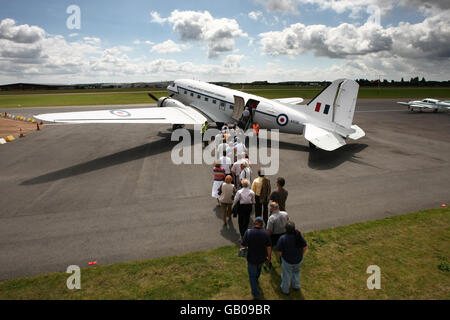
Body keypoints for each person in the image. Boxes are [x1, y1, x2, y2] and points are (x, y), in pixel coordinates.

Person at [241, 217, 272, 300]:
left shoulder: (248, 232)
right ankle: (256, 279)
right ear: (262, 224)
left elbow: (243, 246)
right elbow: (269, 247)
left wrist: (244, 254)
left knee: (251, 276)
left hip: (251, 258)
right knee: (258, 270)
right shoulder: (266, 233)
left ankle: (256, 294)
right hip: (262, 258)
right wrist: (268, 257)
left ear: (255, 223)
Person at [275, 221, 308, 294]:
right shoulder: (298, 235)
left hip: (287, 261)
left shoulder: (283, 238)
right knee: (296, 272)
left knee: (286, 275)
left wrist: (282, 258)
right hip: (298, 260)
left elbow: (279, 252)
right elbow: (305, 247)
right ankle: (296, 286)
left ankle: (285, 290)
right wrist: (301, 254)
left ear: (286, 229)